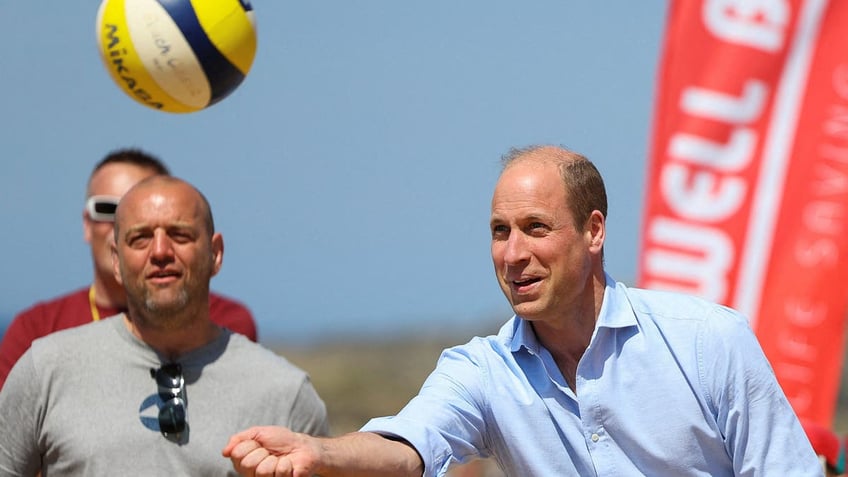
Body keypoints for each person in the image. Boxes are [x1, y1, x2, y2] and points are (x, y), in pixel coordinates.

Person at [222, 145, 821, 476]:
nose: (513, 254)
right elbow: (409, 447)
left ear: (593, 232)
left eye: (535, 228)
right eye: (499, 231)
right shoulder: (481, 371)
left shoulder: (707, 342)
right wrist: (321, 453)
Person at [0, 176, 328, 476]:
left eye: (180, 234)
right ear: (116, 260)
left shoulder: (286, 394)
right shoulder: (46, 370)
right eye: (140, 238)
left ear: (215, 253)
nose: (160, 251)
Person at [0, 148, 257, 390]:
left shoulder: (225, 323)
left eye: (139, 211)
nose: (121, 223)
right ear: (86, 224)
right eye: (107, 209)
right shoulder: (36, 330)